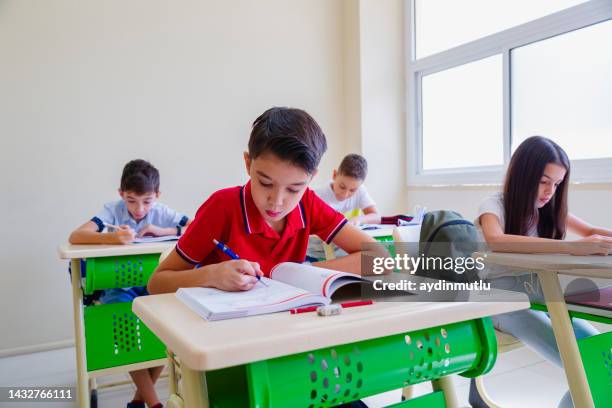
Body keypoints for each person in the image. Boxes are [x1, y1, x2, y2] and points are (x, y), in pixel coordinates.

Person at [147, 107, 377, 296]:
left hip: (284, 326)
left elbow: (381, 258)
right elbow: (156, 284)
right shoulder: (222, 206)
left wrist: (301, 274)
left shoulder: (308, 203)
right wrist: (210, 275)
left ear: (312, 178)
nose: (277, 202)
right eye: (265, 183)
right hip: (225, 334)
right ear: (248, 164)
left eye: (294, 188)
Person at [473, 135, 612, 408]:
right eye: (544, 181)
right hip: (501, 303)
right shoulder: (493, 206)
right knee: (585, 364)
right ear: (523, 175)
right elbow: (495, 240)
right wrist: (573, 248)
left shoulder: (548, 209)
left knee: (602, 355)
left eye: (557, 184)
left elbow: (591, 231)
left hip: (541, 298)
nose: (550, 191)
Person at [70, 159, 191, 408]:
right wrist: (112, 237)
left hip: (153, 283)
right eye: (131, 200)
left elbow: (195, 228)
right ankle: (154, 403)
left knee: (164, 331)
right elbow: (75, 236)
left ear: (157, 195)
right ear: (121, 194)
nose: (139, 209)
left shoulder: (162, 212)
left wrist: (160, 231)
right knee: (128, 337)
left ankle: (138, 401)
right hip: (118, 287)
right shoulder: (112, 210)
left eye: (147, 201)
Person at [306, 153, 380, 261]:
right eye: (342, 186)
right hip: (316, 253)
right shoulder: (317, 196)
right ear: (335, 175)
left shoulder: (360, 191)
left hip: (344, 251)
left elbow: (376, 216)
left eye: (352, 190)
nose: (345, 194)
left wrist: (358, 219)